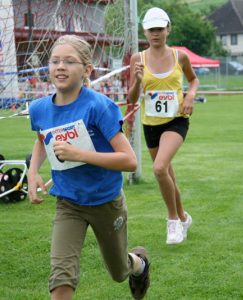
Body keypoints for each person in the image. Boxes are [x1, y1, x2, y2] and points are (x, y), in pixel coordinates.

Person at [27, 35, 150, 300]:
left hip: (106, 201)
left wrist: (78, 154)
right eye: (55, 61)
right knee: (61, 278)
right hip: (68, 203)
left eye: (70, 61)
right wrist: (33, 170)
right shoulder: (39, 109)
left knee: (119, 272)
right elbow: (41, 138)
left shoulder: (99, 107)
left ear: (87, 70)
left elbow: (129, 160)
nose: (60, 66)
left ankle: (139, 263)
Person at [128, 7, 199, 245]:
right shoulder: (138, 59)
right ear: (145, 32)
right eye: (151, 30)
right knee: (168, 175)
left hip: (176, 121)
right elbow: (131, 98)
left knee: (159, 169)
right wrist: (138, 82)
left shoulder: (180, 56)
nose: (155, 34)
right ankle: (183, 216)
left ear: (168, 29)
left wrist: (190, 96)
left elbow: (194, 79)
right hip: (151, 125)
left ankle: (173, 222)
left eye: (159, 29)